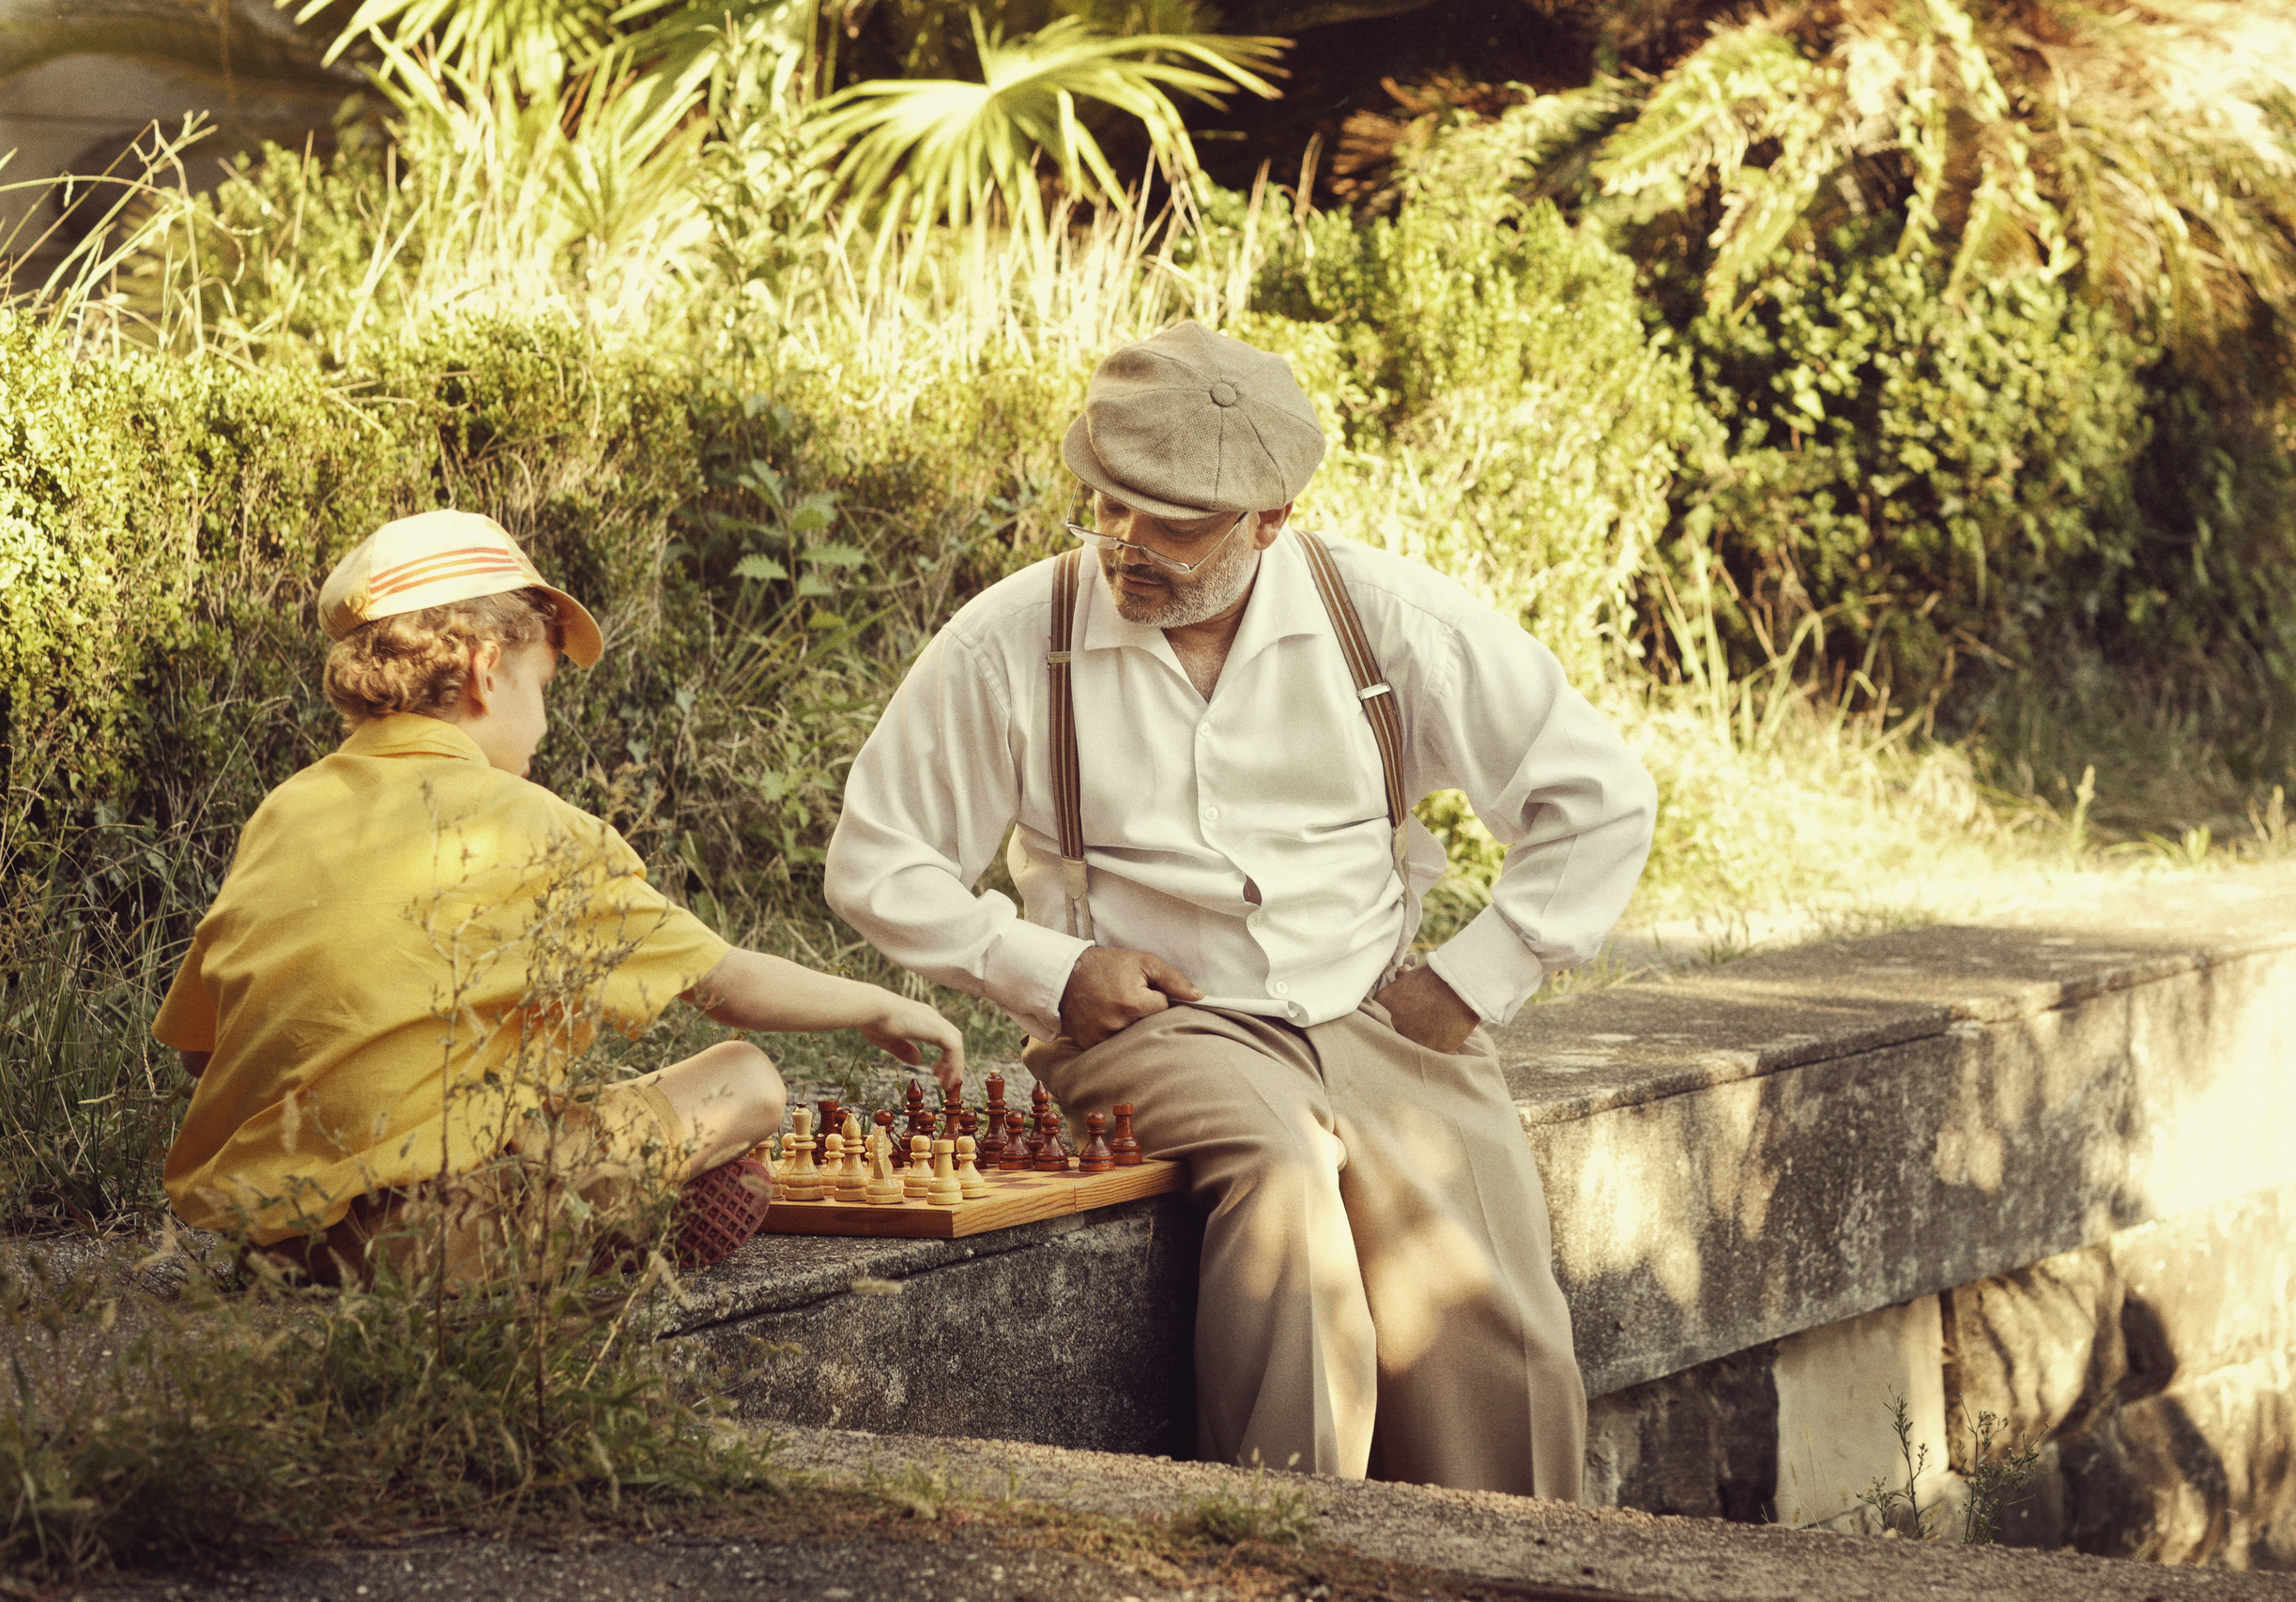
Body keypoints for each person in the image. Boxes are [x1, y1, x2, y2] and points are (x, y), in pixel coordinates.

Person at [824, 322, 1656, 1498]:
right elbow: (878, 860)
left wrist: (1474, 979)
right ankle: (1283, 1534)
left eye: (1173, 521)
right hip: (1158, 1024)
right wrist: (1051, 968)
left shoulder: (1389, 623)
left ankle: (1505, 1568)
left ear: (1270, 521)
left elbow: (1598, 795)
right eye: (1110, 505)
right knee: (1283, 1179)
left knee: (1500, 1329)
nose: (1126, 543)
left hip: (1376, 1014)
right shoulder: (1015, 639)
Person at [154, 510, 963, 1285]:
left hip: (272, 1244)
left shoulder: (287, 809)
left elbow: (200, 1049)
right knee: (745, 1080)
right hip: (431, 1243)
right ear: (483, 668)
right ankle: (601, 1234)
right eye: (543, 686)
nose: (544, 722)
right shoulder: (528, 823)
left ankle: (573, 1218)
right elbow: (725, 987)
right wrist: (878, 1005)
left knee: (532, 1107)